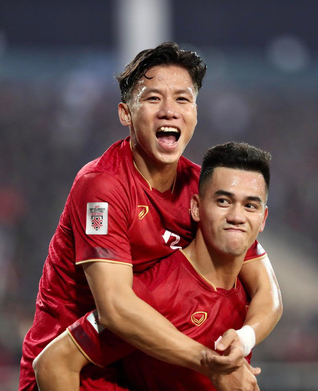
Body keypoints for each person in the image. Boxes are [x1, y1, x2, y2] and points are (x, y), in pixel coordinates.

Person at [19, 42, 283, 390]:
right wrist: (210, 362)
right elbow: (115, 308)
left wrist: (244, 339)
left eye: (182, 99)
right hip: (71, 368)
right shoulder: (103, 187)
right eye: (153, 98)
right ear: (126, 114)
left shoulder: (201, 189)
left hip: (138, 363)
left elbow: (266, 288)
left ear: (196, 113)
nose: (169, 111)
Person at [33, 141, 271, 390]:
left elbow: (272, 298)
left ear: (263, 219)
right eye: (223, 201)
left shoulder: (248, 289)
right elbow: (52, 363)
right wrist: (209, 363)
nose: (236, 216)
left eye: (250, 206)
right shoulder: (155, 294)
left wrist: (244, 340)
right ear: (196, 208)